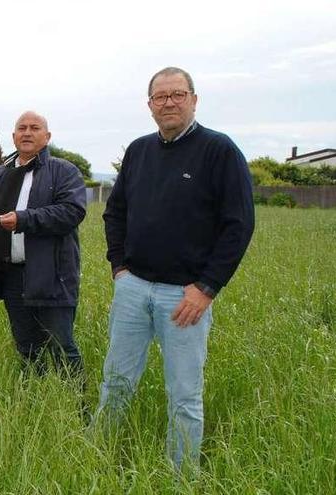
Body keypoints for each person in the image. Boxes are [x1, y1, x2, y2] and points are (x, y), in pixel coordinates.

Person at [96, 67, 255, 469]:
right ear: (149, 105)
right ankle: (97, 458)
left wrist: (206, 288)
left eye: (177, 95)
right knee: (115, 383)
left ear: (194, 100)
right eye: (160, 97)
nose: (169, 102)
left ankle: (180, 476)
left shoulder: (220, 151)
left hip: (184, 296)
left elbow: (239, 225)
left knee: (184, 394)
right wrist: (119, 268)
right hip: (133, 289)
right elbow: (115, 213)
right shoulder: (138, 150)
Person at [0, 111, 87, 380]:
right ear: (13, 137)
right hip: (12, 276)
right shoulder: (1, 174)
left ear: (47, 137)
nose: (27, 132)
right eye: (21, 128)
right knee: (26, 346)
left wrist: (24, 219)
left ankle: (77, 407)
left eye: (35, 128)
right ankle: (36, 397)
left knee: (61, 346)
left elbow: (71, 212)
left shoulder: (64, 171)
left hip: (52, 275)